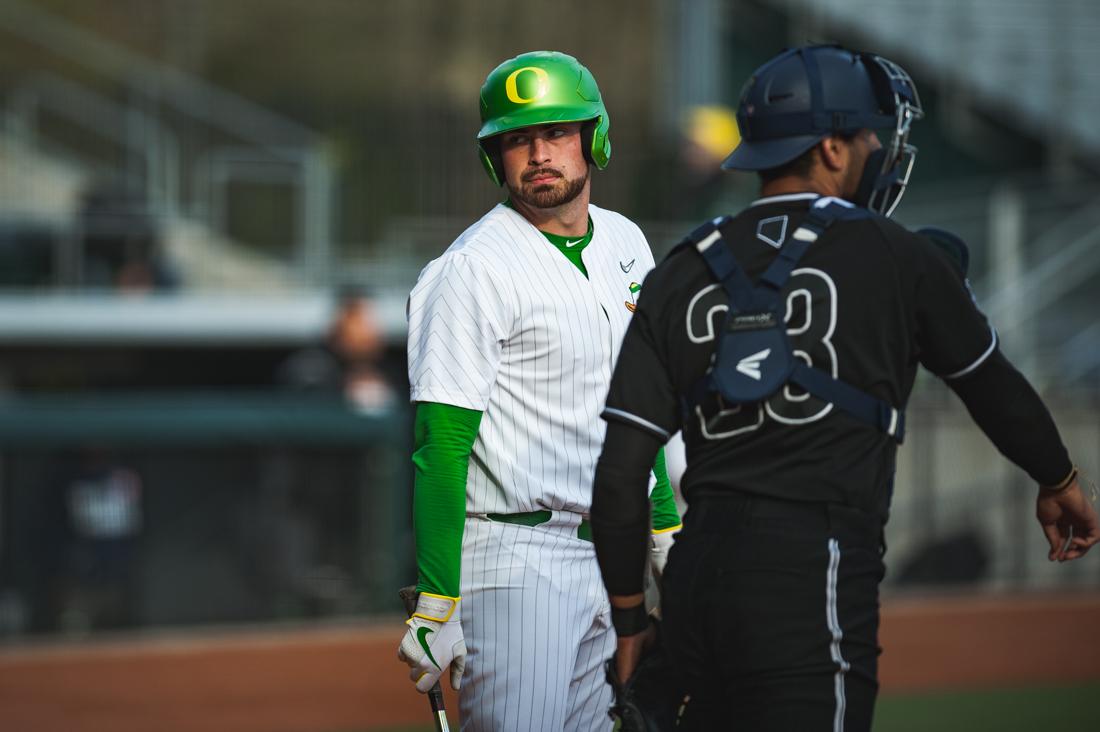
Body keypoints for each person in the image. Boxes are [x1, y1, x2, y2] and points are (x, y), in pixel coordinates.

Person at [590, 44, 1100, 731]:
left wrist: (630, 620)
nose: (879, 152)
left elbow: (619, 477)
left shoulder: (680, 267)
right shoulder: (900, 255)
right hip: (811, 570)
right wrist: (1058, 477)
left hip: (694, 578)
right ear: (832, 148)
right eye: (870, 139)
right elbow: (992, 386)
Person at [398, 51, 682, 730]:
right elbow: (441, 443)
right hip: (515, 556)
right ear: (497, 157)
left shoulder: (627, 242)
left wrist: (666, 529)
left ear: (593, 138)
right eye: (518, 139)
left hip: (611, 551)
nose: (538, 154)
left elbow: (645, 405)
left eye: (556, 133)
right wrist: (438, 600)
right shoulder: (471, 268)